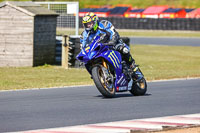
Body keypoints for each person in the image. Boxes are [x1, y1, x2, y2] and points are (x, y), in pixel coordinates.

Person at [80, 12, 141, 80]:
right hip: (100, 49)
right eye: (86, 24)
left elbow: (114, 33)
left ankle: (132, 65)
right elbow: (83, 46)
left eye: (90, 23)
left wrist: (112, 41)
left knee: (123, 49)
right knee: (90, 62)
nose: (88, 26)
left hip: (112, 43)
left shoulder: (104, 24)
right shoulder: (84, 35)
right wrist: (83, 56)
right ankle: (100, 75)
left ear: (95, 21)